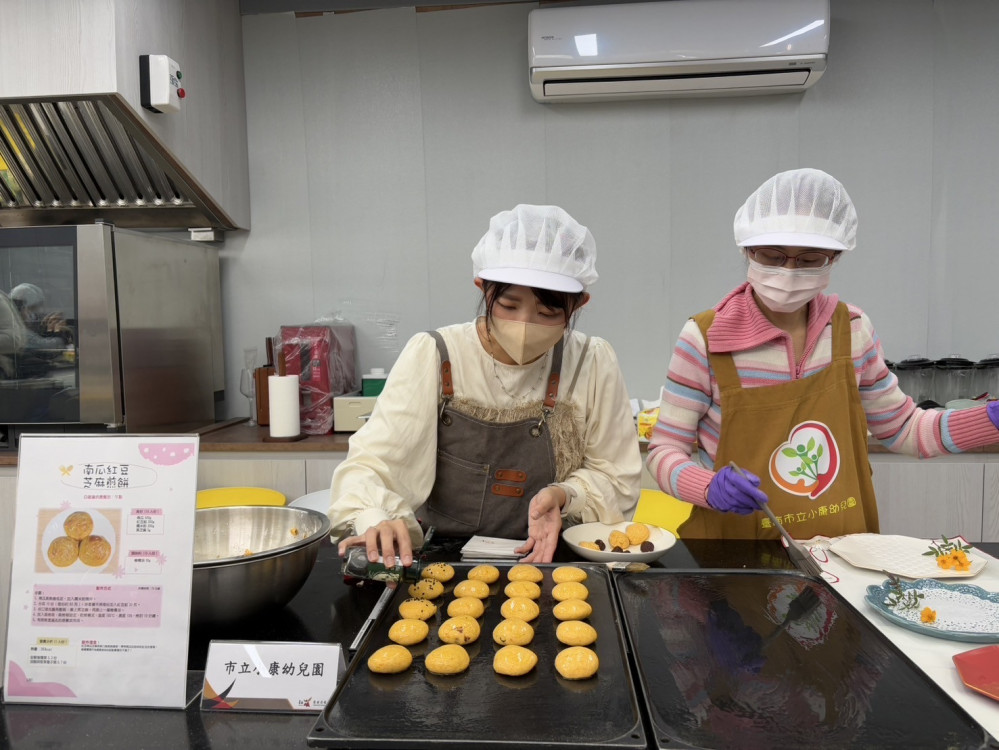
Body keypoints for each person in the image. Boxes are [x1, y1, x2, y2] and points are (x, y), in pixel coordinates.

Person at [647, 168, 999, 539]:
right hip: (736, 558)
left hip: (842, 554)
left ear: (834, 258)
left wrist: (988, 420)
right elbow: (664, 452)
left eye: (809, 260)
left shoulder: (852, 331)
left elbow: (905, 430)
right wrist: (707, 486)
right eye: (773, 256)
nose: (789, 271)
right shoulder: (706, 338)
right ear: (748, 249)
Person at [329, 204, 641, 565]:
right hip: (445, 560)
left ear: (579, 304)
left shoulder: (591, 361)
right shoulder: (437, 355)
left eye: (548, 313)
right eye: (509, 305)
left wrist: (564, 494)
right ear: (483, 286)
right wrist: (374, 516)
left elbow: (617, 478)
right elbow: (373, 464)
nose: (525, 325)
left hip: (552, 559)